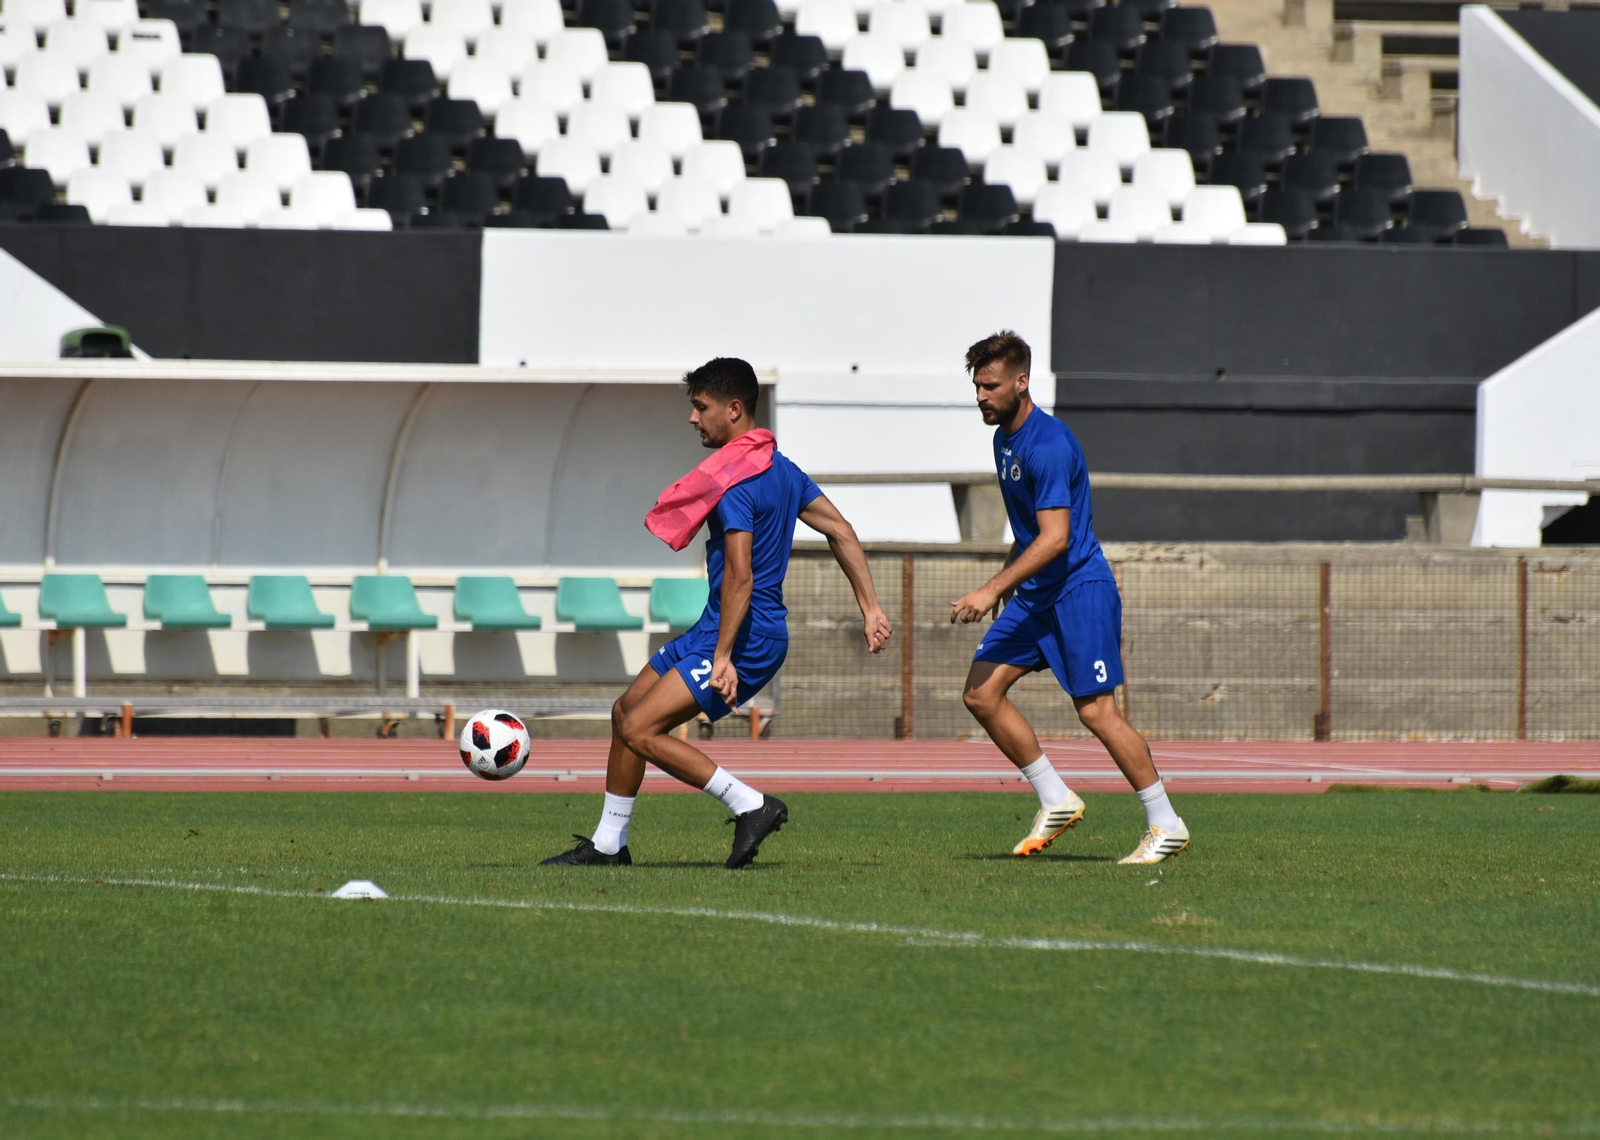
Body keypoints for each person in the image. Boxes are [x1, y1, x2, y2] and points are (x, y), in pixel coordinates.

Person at [542, 357, 892, 870]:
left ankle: (750, 804)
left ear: (733, 410)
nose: (693, 418)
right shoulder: (782, 468)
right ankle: (608, 846)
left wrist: (724, 655)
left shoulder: (735, 482)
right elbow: (841, 530)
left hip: (745, 636)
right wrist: (871, 607)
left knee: (642, 729)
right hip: (717, 628)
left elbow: (741, 576)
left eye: (701, 408)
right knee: (625, 714)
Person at [950, 331, 1189, 865]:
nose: (981, 396)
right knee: (981, 694)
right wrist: (1007, 580)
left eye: (990, 386)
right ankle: (1056, 798)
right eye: (977, 386)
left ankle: (1165, 822)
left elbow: (1057, 538)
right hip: (1036, 595)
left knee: (1097, 711)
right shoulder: (1003, 440)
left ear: (1021, 381)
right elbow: (1030, 532)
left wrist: (994, 586)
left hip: (1079, 590)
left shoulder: (1049, 443)